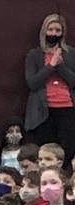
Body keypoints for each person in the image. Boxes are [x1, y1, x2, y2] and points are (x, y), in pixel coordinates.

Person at [25, 15, 75, 165]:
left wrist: (60, 65)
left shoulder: (71, 54)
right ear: (44, 31)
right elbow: (33, 83)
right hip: (43, 110)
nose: (53, 33)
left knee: (66, 152)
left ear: (63, 33)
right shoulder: (33, 55)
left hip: (67, 108)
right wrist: (50, 66)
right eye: (50, 29)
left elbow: (73, 81)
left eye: (57, 30)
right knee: (46, 151)